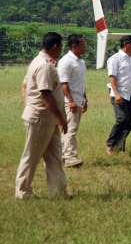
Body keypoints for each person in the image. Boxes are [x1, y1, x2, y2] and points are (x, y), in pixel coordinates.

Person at [15, 32, 68, 200]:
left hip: (48, 119)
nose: (61, 51)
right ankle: (23, 193)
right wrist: (61, 117)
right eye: (60, 47)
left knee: (55, 158)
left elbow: (25, 86)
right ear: (55, 47)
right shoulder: (44, 65)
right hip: (41, 118)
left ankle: (59, 193)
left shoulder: (40, 62)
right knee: (31, 157)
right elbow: (46, 94)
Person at [106, 35, 131, 155]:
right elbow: (112, 77)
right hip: (120, 94)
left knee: (128, 123)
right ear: (125, 44)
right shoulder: (115, 59)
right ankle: (110, 144)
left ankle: (118, 148)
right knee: (122, 119)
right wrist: (117, 94)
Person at [57, 34, 87, 168]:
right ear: (74, 46)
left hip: (78, 98)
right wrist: (70, 101)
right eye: (82, 44)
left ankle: (64, 155)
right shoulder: (66, 61)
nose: (84, 47)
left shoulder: (81, 61)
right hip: (70, 100)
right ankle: (70, 157)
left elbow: (81, 82)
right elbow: (63, 82)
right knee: (70, 128)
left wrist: (84, 98)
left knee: (71, 128)